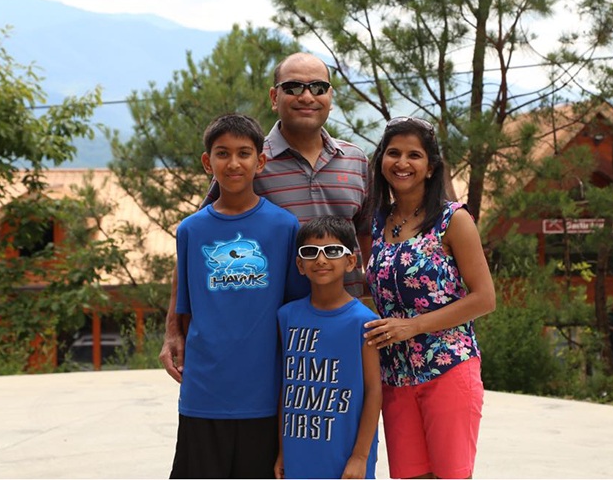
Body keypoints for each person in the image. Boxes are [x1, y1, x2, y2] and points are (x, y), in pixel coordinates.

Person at [160, 52, 370, 384]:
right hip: (277, 334)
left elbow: (367, 238)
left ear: (331, 97)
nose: (306, 96)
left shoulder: (356, 161)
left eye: (318, 87)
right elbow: (199, 241)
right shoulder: (248, 160)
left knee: (346, 420)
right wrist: (174, 328)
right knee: (285, 430)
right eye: (293, 87)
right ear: (275, 97)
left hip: (346, 324)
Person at [169, 113, 309, 478]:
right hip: (203, 393)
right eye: (222, 153)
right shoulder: (190, 230)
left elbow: (293, 310)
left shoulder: (284, 226)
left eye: (244, 153)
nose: (233, 163)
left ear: (260, 161)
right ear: (207, 162)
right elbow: (185, 312)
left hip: (263, 394)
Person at [362, 117, 496, 479]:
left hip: (448, 368)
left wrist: (413, 326)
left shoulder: (453, 220)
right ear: (381, 161)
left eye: (413, 155)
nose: (402, 163)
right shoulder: (378, 222)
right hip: (395, 376)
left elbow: (485, 298)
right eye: (393, 153)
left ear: (430, 166)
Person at [275, 216, 381, 479]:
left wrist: (360, 456)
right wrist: (282, 450)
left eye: (332, 251)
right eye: (310, 252)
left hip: (345, 458)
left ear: (350, 261)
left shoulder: (364, 322)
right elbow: (285, 389)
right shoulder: (286, 317)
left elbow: (374, 390)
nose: (321, 260)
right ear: (300, 264)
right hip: (298, 454)